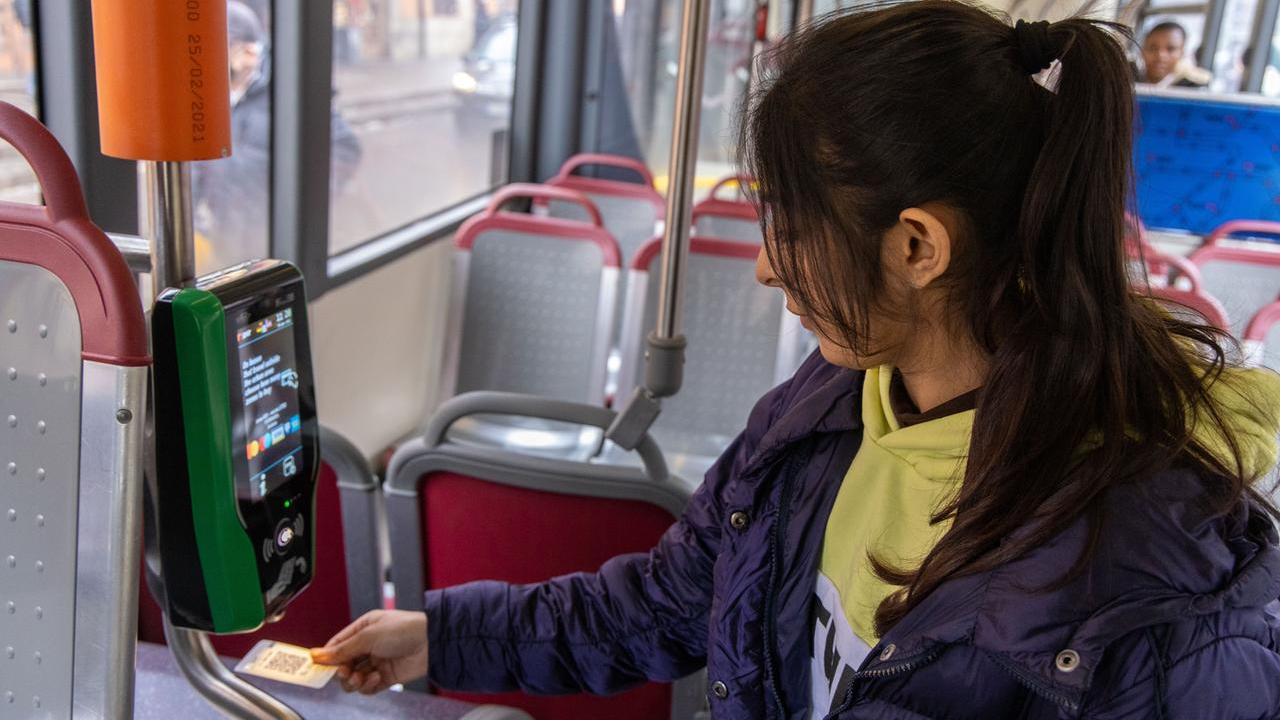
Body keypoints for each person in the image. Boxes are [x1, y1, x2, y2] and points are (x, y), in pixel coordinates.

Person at [313, 4, 1280, 717]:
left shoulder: (1154, 595)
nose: (768, 264)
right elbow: (670, 599)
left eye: (790, 222)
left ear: (916, 248)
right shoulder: (834, 403)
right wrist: (446, 635)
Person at [191, 1, 362, 271]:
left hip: (275, 240)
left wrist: (307, 208)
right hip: (228, 238)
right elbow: (198, 163)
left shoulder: (287, 92)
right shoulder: (213, 100)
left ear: (246, 51)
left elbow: (344, 148)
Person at [1136, 20, 1210, 88]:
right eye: (1153, 48)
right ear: (1142, 51)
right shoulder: (1128, 82)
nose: (1160, 55)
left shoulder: (1194, 90)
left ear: (1182, 53)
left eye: (1170, 49)